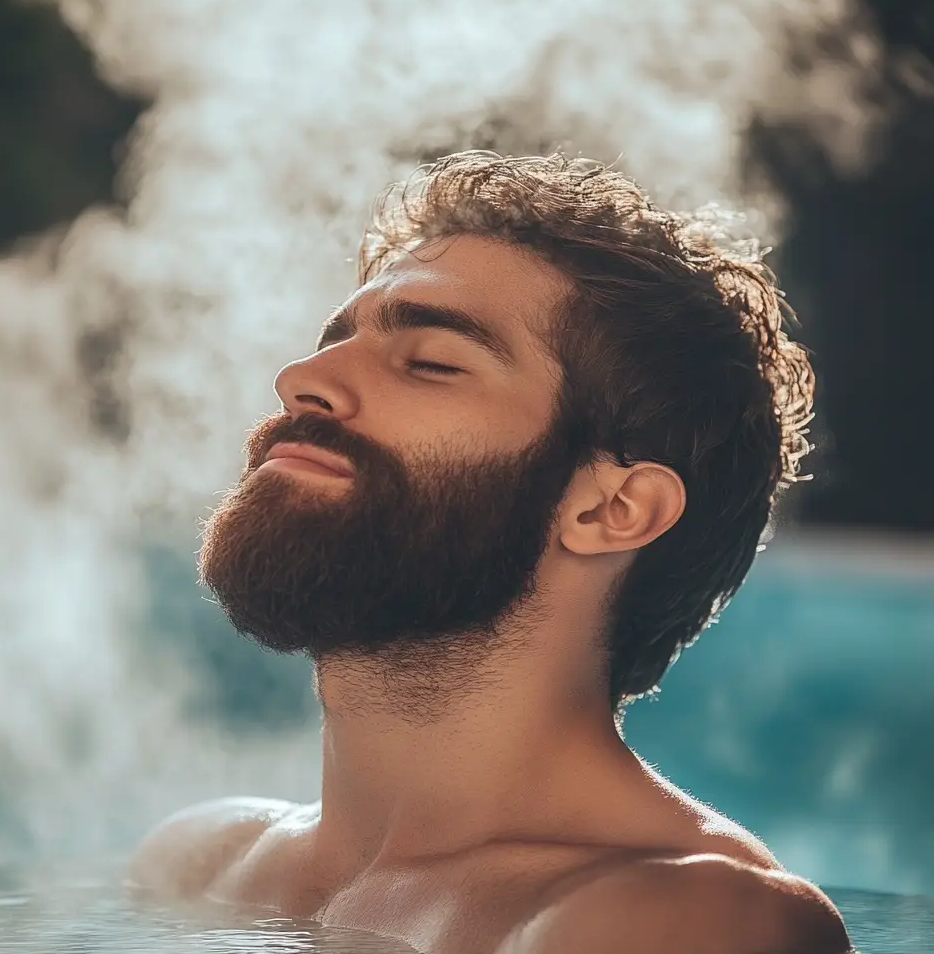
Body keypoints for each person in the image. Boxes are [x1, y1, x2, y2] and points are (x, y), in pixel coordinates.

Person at [129, 152, 852, 953]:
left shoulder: (684, 918)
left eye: (432, 363)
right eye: (333, 341)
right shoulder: (200, 869)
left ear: (611, 508)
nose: (301, 378)